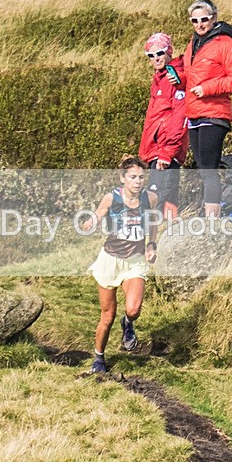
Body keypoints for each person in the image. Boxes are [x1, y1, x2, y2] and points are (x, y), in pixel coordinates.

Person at [82, 156, 158, 373]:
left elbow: (153, 222)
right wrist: (90, 223)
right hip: (110, 260)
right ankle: (99, 358)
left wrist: (152, 245)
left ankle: (128, 324)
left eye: (141, 177)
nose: (137, 181)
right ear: (123, 178)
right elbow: (98, 215)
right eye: (133, 177)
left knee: (133, 310)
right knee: (107, 316)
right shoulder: (111, 198)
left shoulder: (150, 198)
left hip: (135, 261)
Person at [183, 0, 232, 217]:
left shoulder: (227, 45)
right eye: (195, 20)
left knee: (209, 169)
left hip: (214, 114)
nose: (200, 24)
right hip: (193, 114)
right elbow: (191, 75)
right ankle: (208, 213)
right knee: (203, 169)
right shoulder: (193, 44)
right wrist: (177, 77)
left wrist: (207, 88)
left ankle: (212, 220)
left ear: (214, 18)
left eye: (204, 19)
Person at [140, 32, 189, 220]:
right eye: (150, 55)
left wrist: (167, 152)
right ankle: (160, 233)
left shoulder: (173, 76)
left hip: (166, 149)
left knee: (165, 195)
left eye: (159, 53)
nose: (155, 58)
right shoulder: (159, 78)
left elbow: (179, 117)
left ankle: (167, 234)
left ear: (169, 51)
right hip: (156, 147)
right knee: (156, 197)